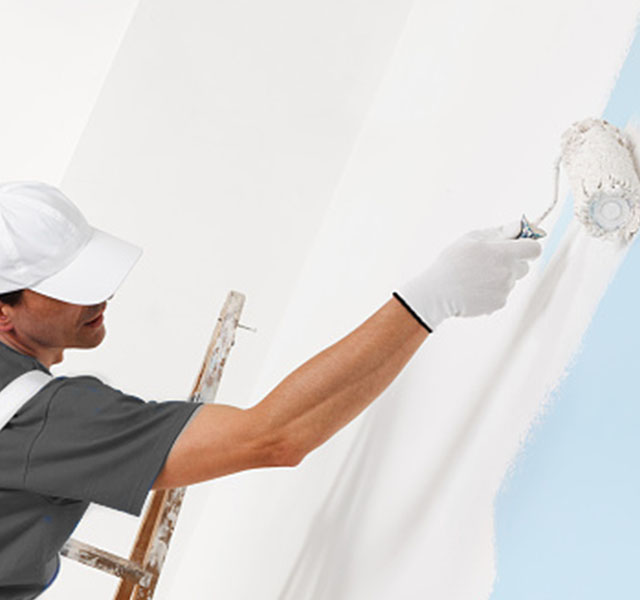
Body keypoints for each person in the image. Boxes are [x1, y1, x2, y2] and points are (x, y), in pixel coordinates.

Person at [0, 181, 542, 598]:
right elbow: (273, 436)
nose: (101, 295)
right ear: (5, 310)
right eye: (70, 288)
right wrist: (432, 297)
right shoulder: (34, 416)